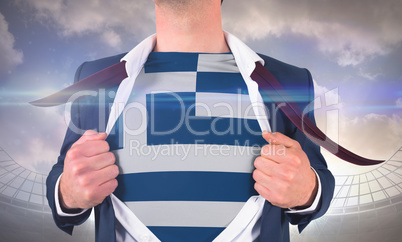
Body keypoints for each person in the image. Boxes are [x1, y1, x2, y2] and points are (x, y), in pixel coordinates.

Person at [46, 1, 335, 241]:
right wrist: (68, 190)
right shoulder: (95, 79)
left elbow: (318, 178)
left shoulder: (290, 80)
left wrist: (308, 189)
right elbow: (63, 175)